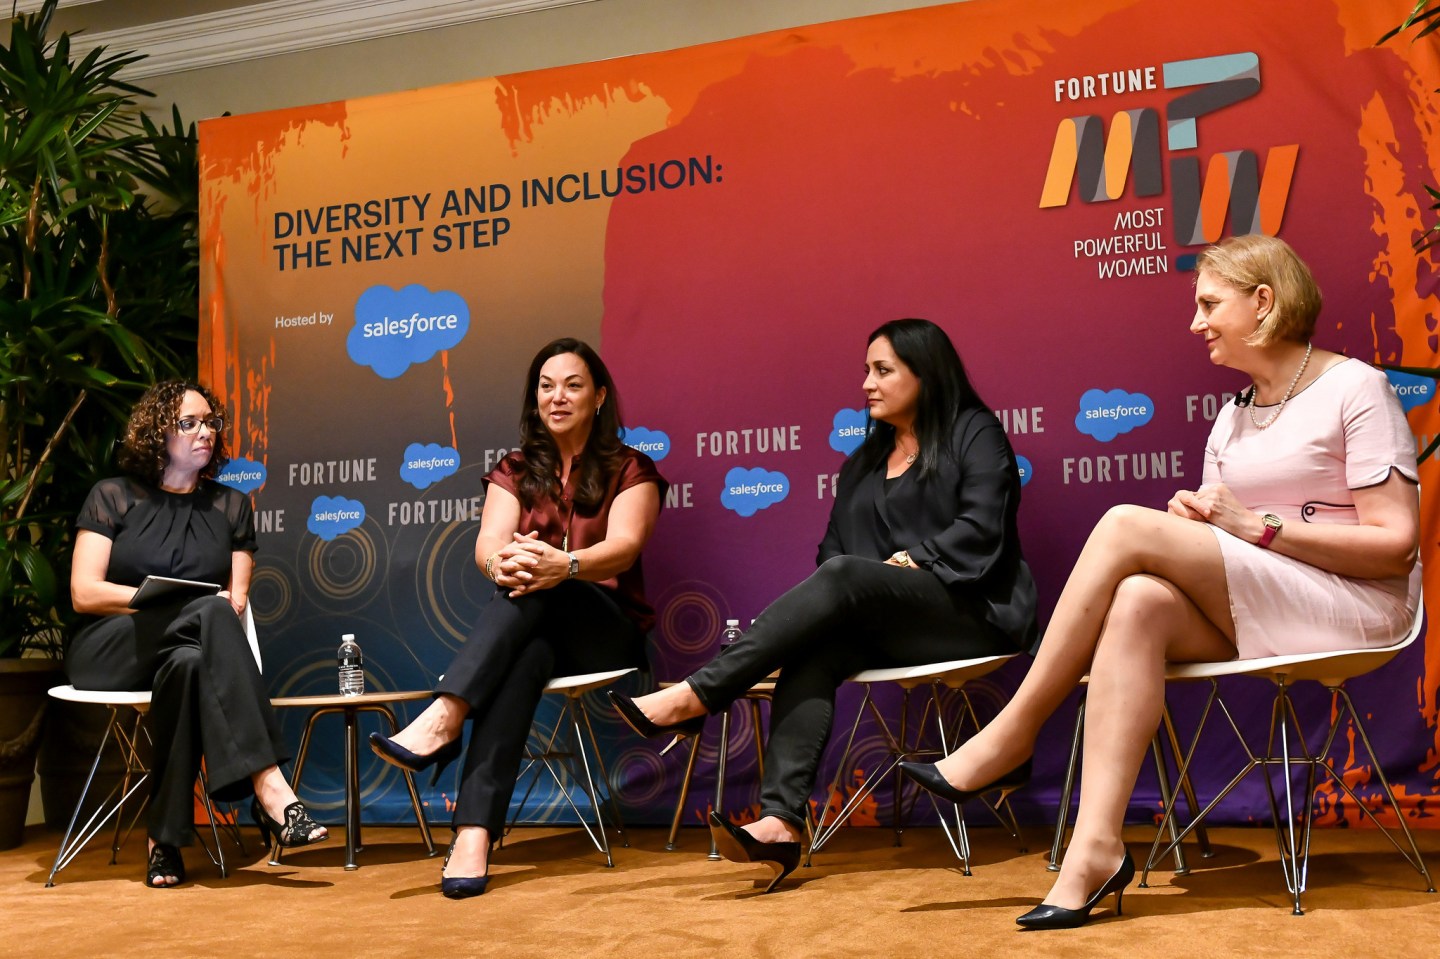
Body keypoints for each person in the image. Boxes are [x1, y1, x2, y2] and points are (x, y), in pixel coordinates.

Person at [901, 234, 1422, 929]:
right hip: (1264, 600)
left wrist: (1257, 527)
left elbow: (1395, 546)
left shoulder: (1356, 387)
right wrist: (1201, 522)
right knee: (1139, 599)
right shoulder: (1233, 415)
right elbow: (1226, 537)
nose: (1196, 322)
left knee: (1124, 524)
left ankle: (1013, 733)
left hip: (1355, 604)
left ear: (1263, 301)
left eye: (1209, 304)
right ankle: (1094, 850)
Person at [611, 318, 1039, 893]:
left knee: (843, 578)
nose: (866, 383)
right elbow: (832, 555)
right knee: (815, 644)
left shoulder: (973, 431)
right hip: (894, 624)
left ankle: (699, 695)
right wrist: (867, 582)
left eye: (882, 370)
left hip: (973, 613)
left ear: (926, 374)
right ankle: (780, 823)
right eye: (866, 370)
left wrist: (908, 562)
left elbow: (983, 527)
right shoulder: (862, 465)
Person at [370, 337, 665, 899]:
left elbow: (624, 549)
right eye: (546, 386)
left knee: (542, 582)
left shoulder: (631, 467)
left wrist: (564, 564)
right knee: (525, 647)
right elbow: (488, 545)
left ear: (599, 396)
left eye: (573, 385)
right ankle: (474, 835)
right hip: (536, 628)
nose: (558, 397)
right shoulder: (516, 467)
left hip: (605, 632)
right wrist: (502, 564)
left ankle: (447, 713)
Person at [68, 380, 327, 889]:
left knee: (189, 663)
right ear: (156, 433)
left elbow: (236, 601)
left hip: (185, 650)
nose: (204, 432)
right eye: (189, 423)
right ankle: (270, 785)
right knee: (207, 611)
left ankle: (163, 842)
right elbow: (84, 592)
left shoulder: (231, 506)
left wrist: (197, 610)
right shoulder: (113, 496)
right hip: (113, 648)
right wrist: (161, 600)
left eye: (210, 422)